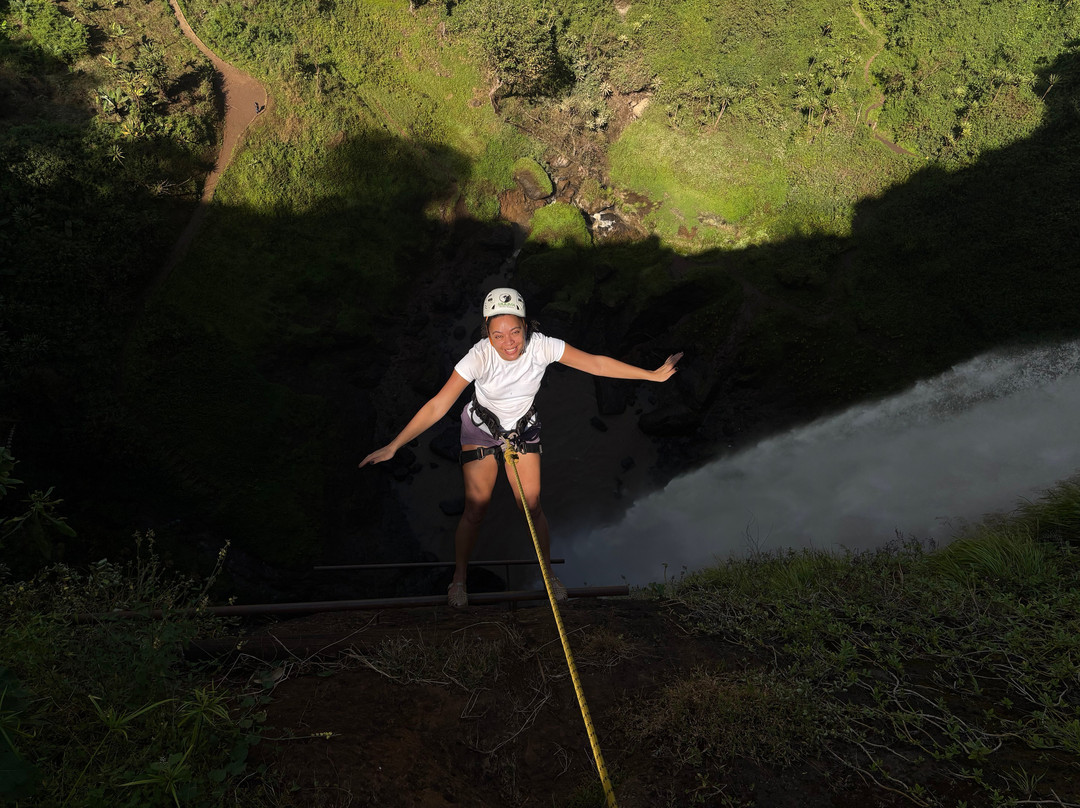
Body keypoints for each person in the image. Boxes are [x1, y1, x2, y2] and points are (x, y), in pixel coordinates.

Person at [359, 287, 682, 607]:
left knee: (531, 506)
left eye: (515, 331)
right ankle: (459, 579)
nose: (509, 342)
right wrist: (395, 446)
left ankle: (548, 574)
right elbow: (438, 404)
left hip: (523, 430)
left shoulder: (542, 346)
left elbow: (595, 364)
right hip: (481, 430)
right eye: (498, 335)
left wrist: (650, 376)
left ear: (526, 326)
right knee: (475, 509)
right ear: (487, 334)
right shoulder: (478, 357)